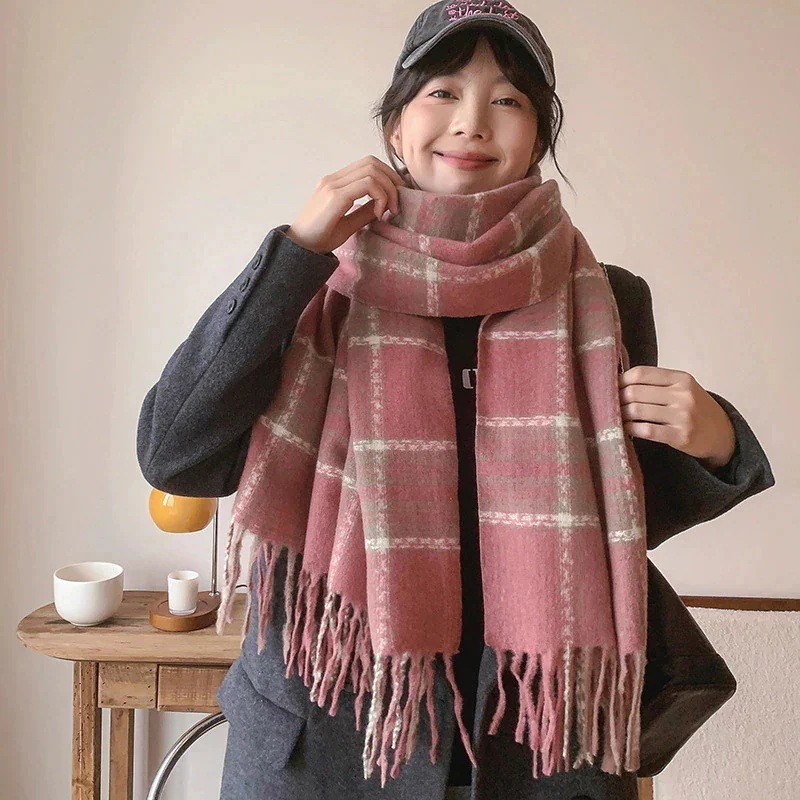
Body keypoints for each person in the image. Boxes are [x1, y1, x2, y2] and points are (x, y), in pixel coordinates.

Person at [137, 3, 775, 799]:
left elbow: (619, 520)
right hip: (327, 750)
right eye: (442, 91)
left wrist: (717, 443)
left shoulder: (604, 303)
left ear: (537, 138)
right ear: (396, 126)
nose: (472, 121)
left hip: (532, 750)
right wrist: (296, 250)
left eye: (507, 99)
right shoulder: (314, 288)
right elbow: (176, 453)